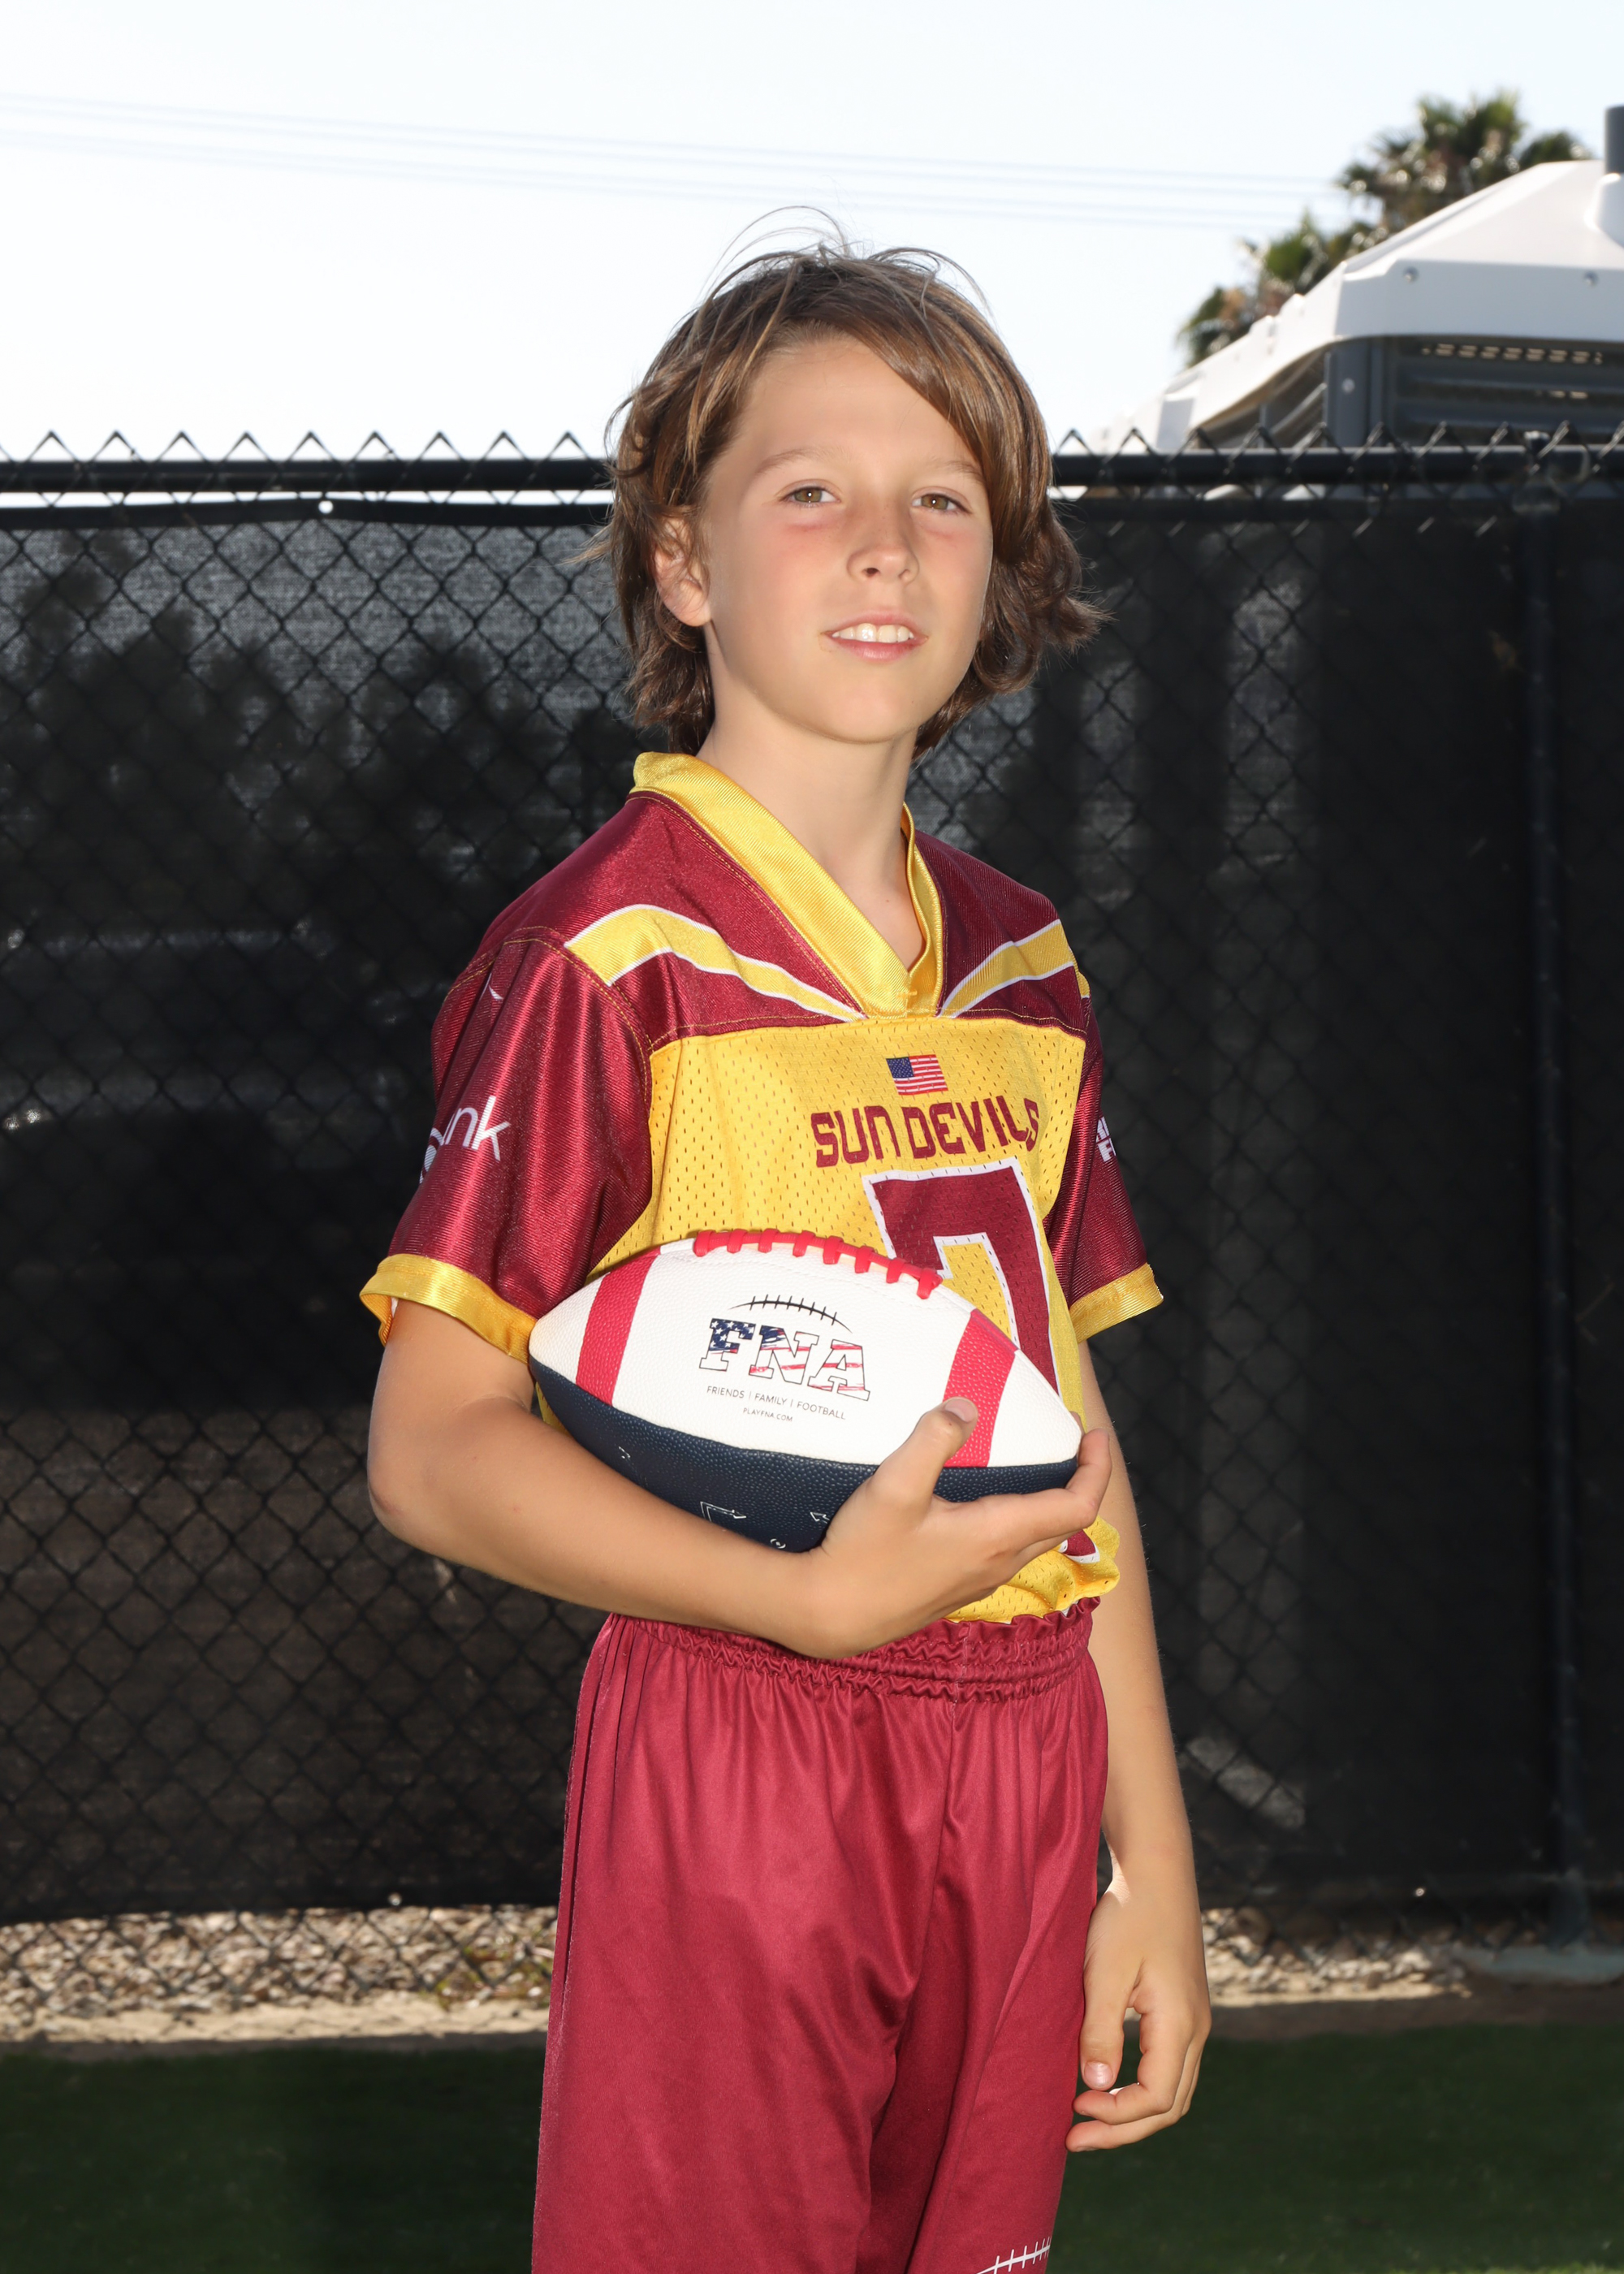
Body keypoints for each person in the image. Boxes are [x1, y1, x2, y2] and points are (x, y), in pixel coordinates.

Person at [364, 242, 1209, 2274]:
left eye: (944, 496)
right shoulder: (606, 956)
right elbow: (430, 1446)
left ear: (1003, 571)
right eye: (808, 488)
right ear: (683, 561)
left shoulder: (1022, 958)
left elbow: (1066, 1433)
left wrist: (1155, 1865)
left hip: (1029, 1734)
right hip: (754, 1720)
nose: (884, 542)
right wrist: (800, 1597)